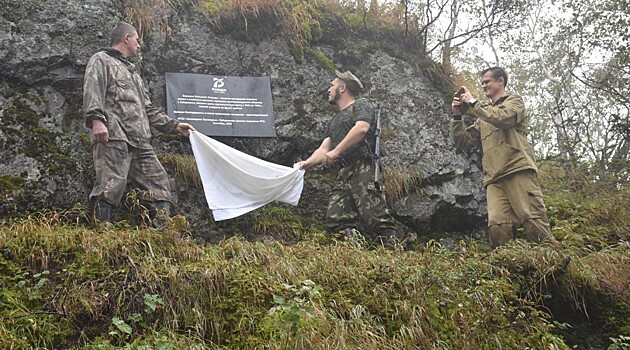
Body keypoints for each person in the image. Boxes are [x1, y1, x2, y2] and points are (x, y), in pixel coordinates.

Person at [83, 21, 195, 226]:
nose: (139, 44)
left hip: (141, 142)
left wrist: (175, 126)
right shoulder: (102, 60)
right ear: (126, 38)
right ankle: (101, 235)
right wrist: (96, 120)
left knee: (159, 184)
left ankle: (161, 234)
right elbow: (93, 90)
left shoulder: (134, 74)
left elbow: (148, 110)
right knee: (110, 185)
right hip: (115, 136)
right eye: (137, 39)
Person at [451, 66, 557, 248]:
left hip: (517, 168)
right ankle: (506, 270)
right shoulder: (484, 116)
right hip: (494, 178)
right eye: (482, 83)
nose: (484, 86)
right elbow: (464, 142)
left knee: (532, 219)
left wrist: (474, 102)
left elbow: (503, 118)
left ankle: (555, 264)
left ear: (501, 81)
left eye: (487, 82)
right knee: (498, 226)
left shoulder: (514, 101)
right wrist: (457, 116)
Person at [297, 70, 400, 248]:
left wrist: (336, 152)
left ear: (342, 87)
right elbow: (323, 149)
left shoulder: (361, 105)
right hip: (345, 171)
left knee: (374, 213)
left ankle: (391, 253)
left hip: (364, 166)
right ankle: (354, 253)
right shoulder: (335, 120)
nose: (328, 89)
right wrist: (306, 164)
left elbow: (361, 128)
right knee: (336, 217)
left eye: (332, 85)